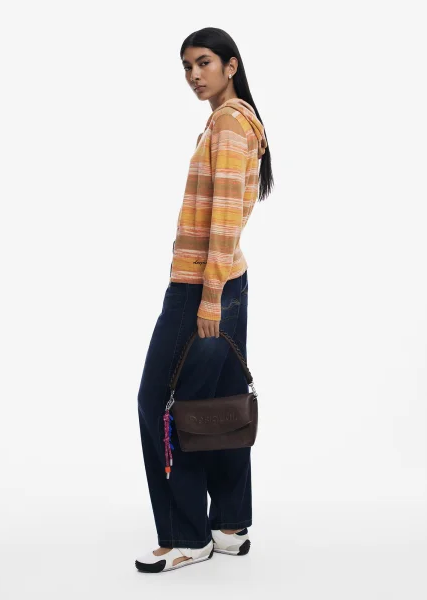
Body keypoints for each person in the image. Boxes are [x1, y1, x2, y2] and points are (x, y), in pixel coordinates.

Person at [135, 27, 274, 573]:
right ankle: (230, 527)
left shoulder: (229, 124)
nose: (194, 75)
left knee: (162, 404)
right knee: (219, 404)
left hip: (203, 287)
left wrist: (208, 299)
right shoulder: (237, 121)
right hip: (229, 281)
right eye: (187, 66)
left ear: (231, 65)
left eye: (204, 63)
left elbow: (223, 221)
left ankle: (186, 535)